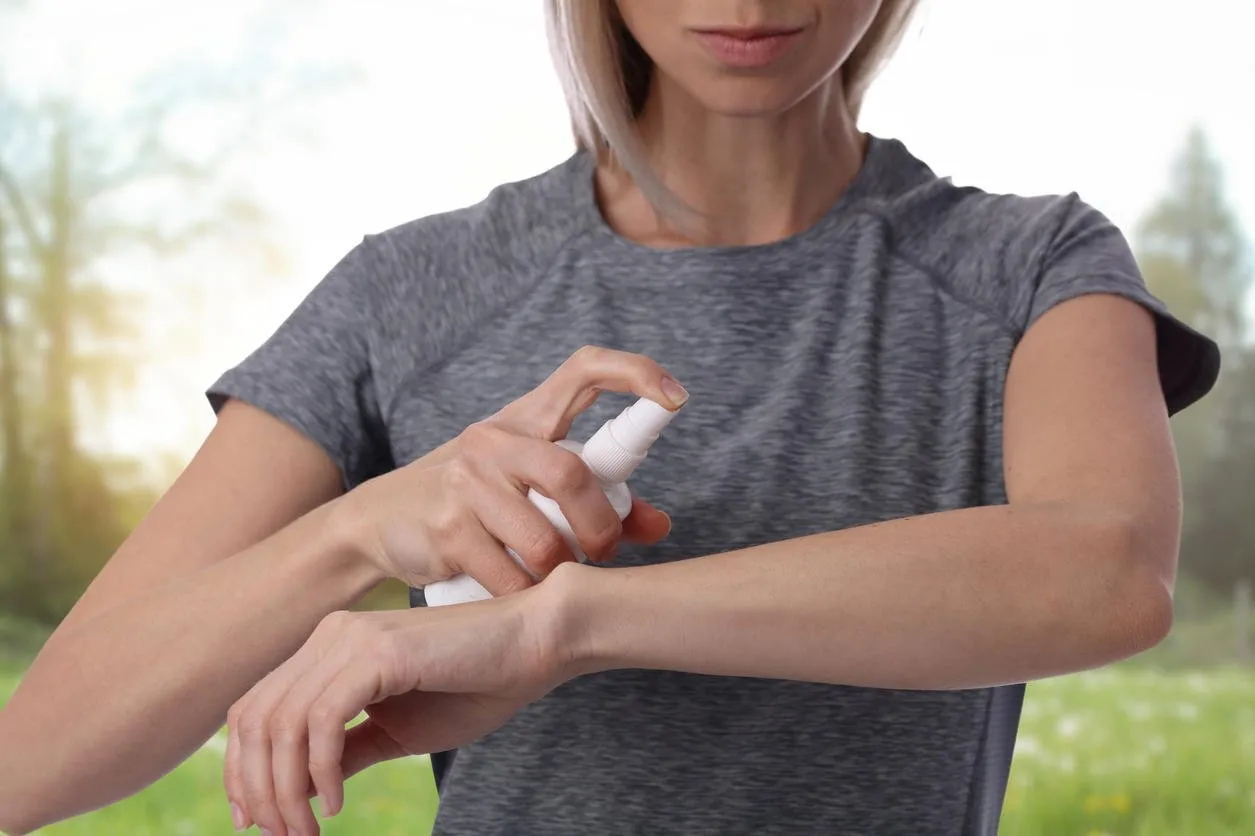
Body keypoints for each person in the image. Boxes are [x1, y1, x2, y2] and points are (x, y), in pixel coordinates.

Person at [0, 0, 1221, 834]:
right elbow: (27, 763)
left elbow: (1107, 570)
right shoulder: (411, 293)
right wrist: (356, 530)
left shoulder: (1029, 267)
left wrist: (567, 625)